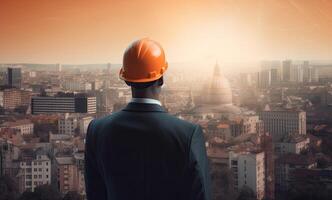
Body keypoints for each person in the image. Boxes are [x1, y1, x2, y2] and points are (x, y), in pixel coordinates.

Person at [85, 38, 211, 200]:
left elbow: (95, 194)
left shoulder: (97, 130)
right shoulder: (188, 135)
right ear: (161, 79)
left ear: (126, 79)